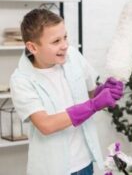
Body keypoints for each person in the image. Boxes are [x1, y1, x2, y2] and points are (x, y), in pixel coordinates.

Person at [10, 9, 124, 175]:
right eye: (56, 41)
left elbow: (90, 95)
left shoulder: (72, 56)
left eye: (65, 37)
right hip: (52, 169)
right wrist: (94, 105)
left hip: (84, 163)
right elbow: (46, 124)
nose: (64, 45)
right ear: (33, 47)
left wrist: (105, 90)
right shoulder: (21, 80)